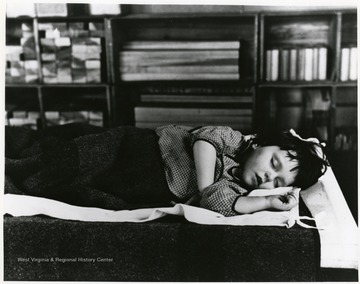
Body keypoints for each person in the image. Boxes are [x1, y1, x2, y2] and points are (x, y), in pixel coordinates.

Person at [5, 123, 328, 217]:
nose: (269, 177)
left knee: (82, 194)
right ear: (262, 145)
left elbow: (219, 205)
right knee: (69, 159)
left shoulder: (236, 191)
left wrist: (267, 202)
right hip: (140, 147)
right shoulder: (236, 142)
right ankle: (17, 163)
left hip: (143, 186)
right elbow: (205, 139)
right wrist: (204, 188)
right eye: (274, 164)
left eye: (277, 181)